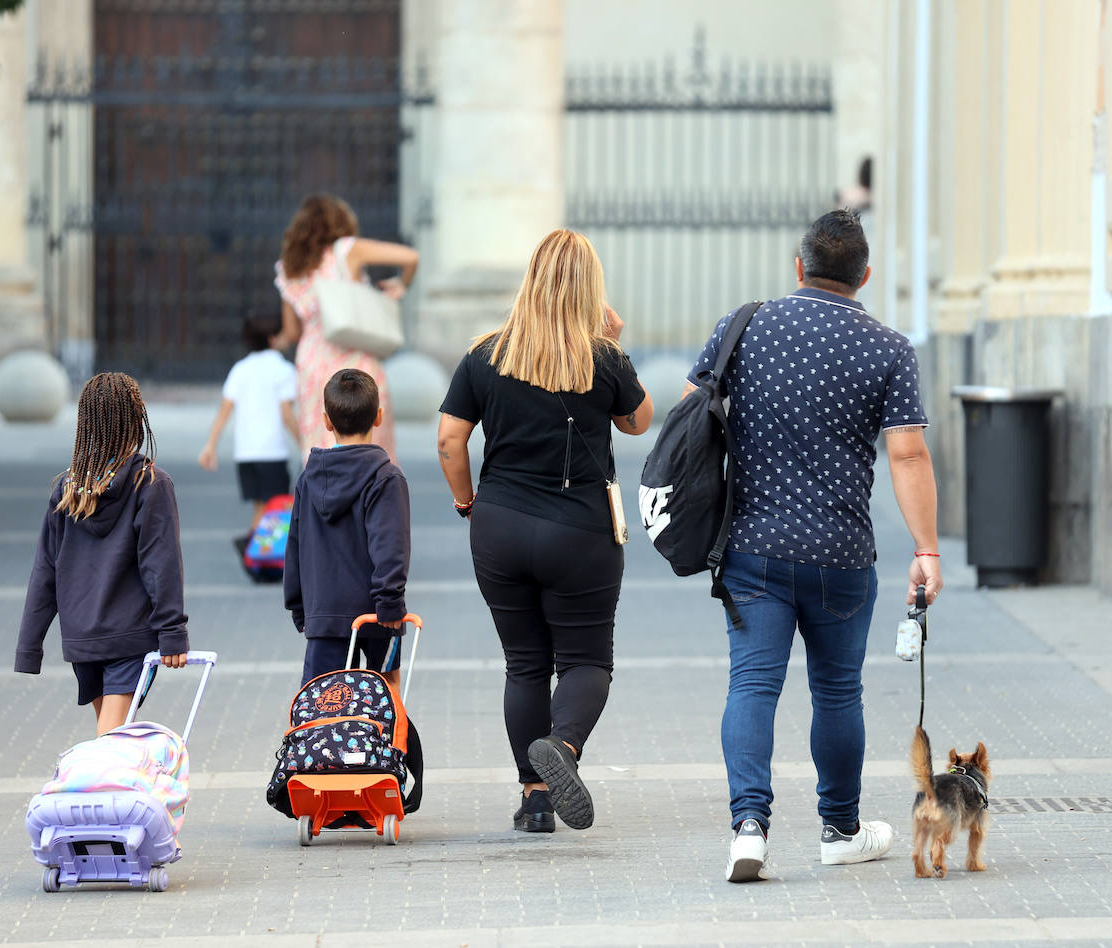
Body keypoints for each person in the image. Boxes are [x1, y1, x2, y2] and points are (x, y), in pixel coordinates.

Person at [682, 209, 942, 882]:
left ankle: (748, 829)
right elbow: (908, 456)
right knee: (837, 693)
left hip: (752, 547)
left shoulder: (742, 327)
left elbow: (689, 416)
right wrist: (928, 550)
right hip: (842, 555)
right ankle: (839, 828)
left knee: (753, 685)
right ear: (866, 275)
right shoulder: (888, 347)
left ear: (799, 267)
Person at [437, 229, 654, 834]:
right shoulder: (601, 358)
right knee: (585, 661)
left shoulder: (486, 354)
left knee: (524, 664)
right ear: (590, 287)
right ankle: (563, 746)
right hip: (580, 533)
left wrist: (466, 504)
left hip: (500, 526)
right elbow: (638, 422)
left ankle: (535, 800)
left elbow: (450, 440)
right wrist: (612, 343)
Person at [15, 372, 190, 736]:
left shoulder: (70, 487)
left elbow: (44, 569)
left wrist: (29, 645)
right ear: (136, 419)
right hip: (130, 633)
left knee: (115, 732)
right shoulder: (150, 483)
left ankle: (126, 790)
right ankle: (90, 792)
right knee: (110, 740)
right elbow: (162, 565)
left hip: (82, 635)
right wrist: (173, 632)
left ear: (87, 423)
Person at [284, 368, 410, 687]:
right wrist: (391, 603)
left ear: (327, 421)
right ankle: (386, 739)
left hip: (324, 612)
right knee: (387, 693)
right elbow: (390, 547)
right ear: (379, 416)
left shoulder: (308, 479)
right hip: (377, 612)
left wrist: (300, 608)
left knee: (323, 706)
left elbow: (295, 545)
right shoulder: (386, 477)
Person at [273, 193, 419, 463]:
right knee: (370, 442)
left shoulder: (289, 268)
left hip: (313, 361)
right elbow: (410, 257)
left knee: (320, 440)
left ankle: (324, 498)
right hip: (356, 356)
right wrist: (402, 285)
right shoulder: (346, 249)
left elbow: (292, 332)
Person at [197, 314, 300, 544]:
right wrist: (304, 443)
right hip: (272, 451)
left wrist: (210, 445)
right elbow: (286, 413)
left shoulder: (240, 368)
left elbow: (225, 409)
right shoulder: (283, 369)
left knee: (262, 507)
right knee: (276, 508)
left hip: (245, 453)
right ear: (273, 339)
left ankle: (256, 553)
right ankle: (253, 552)